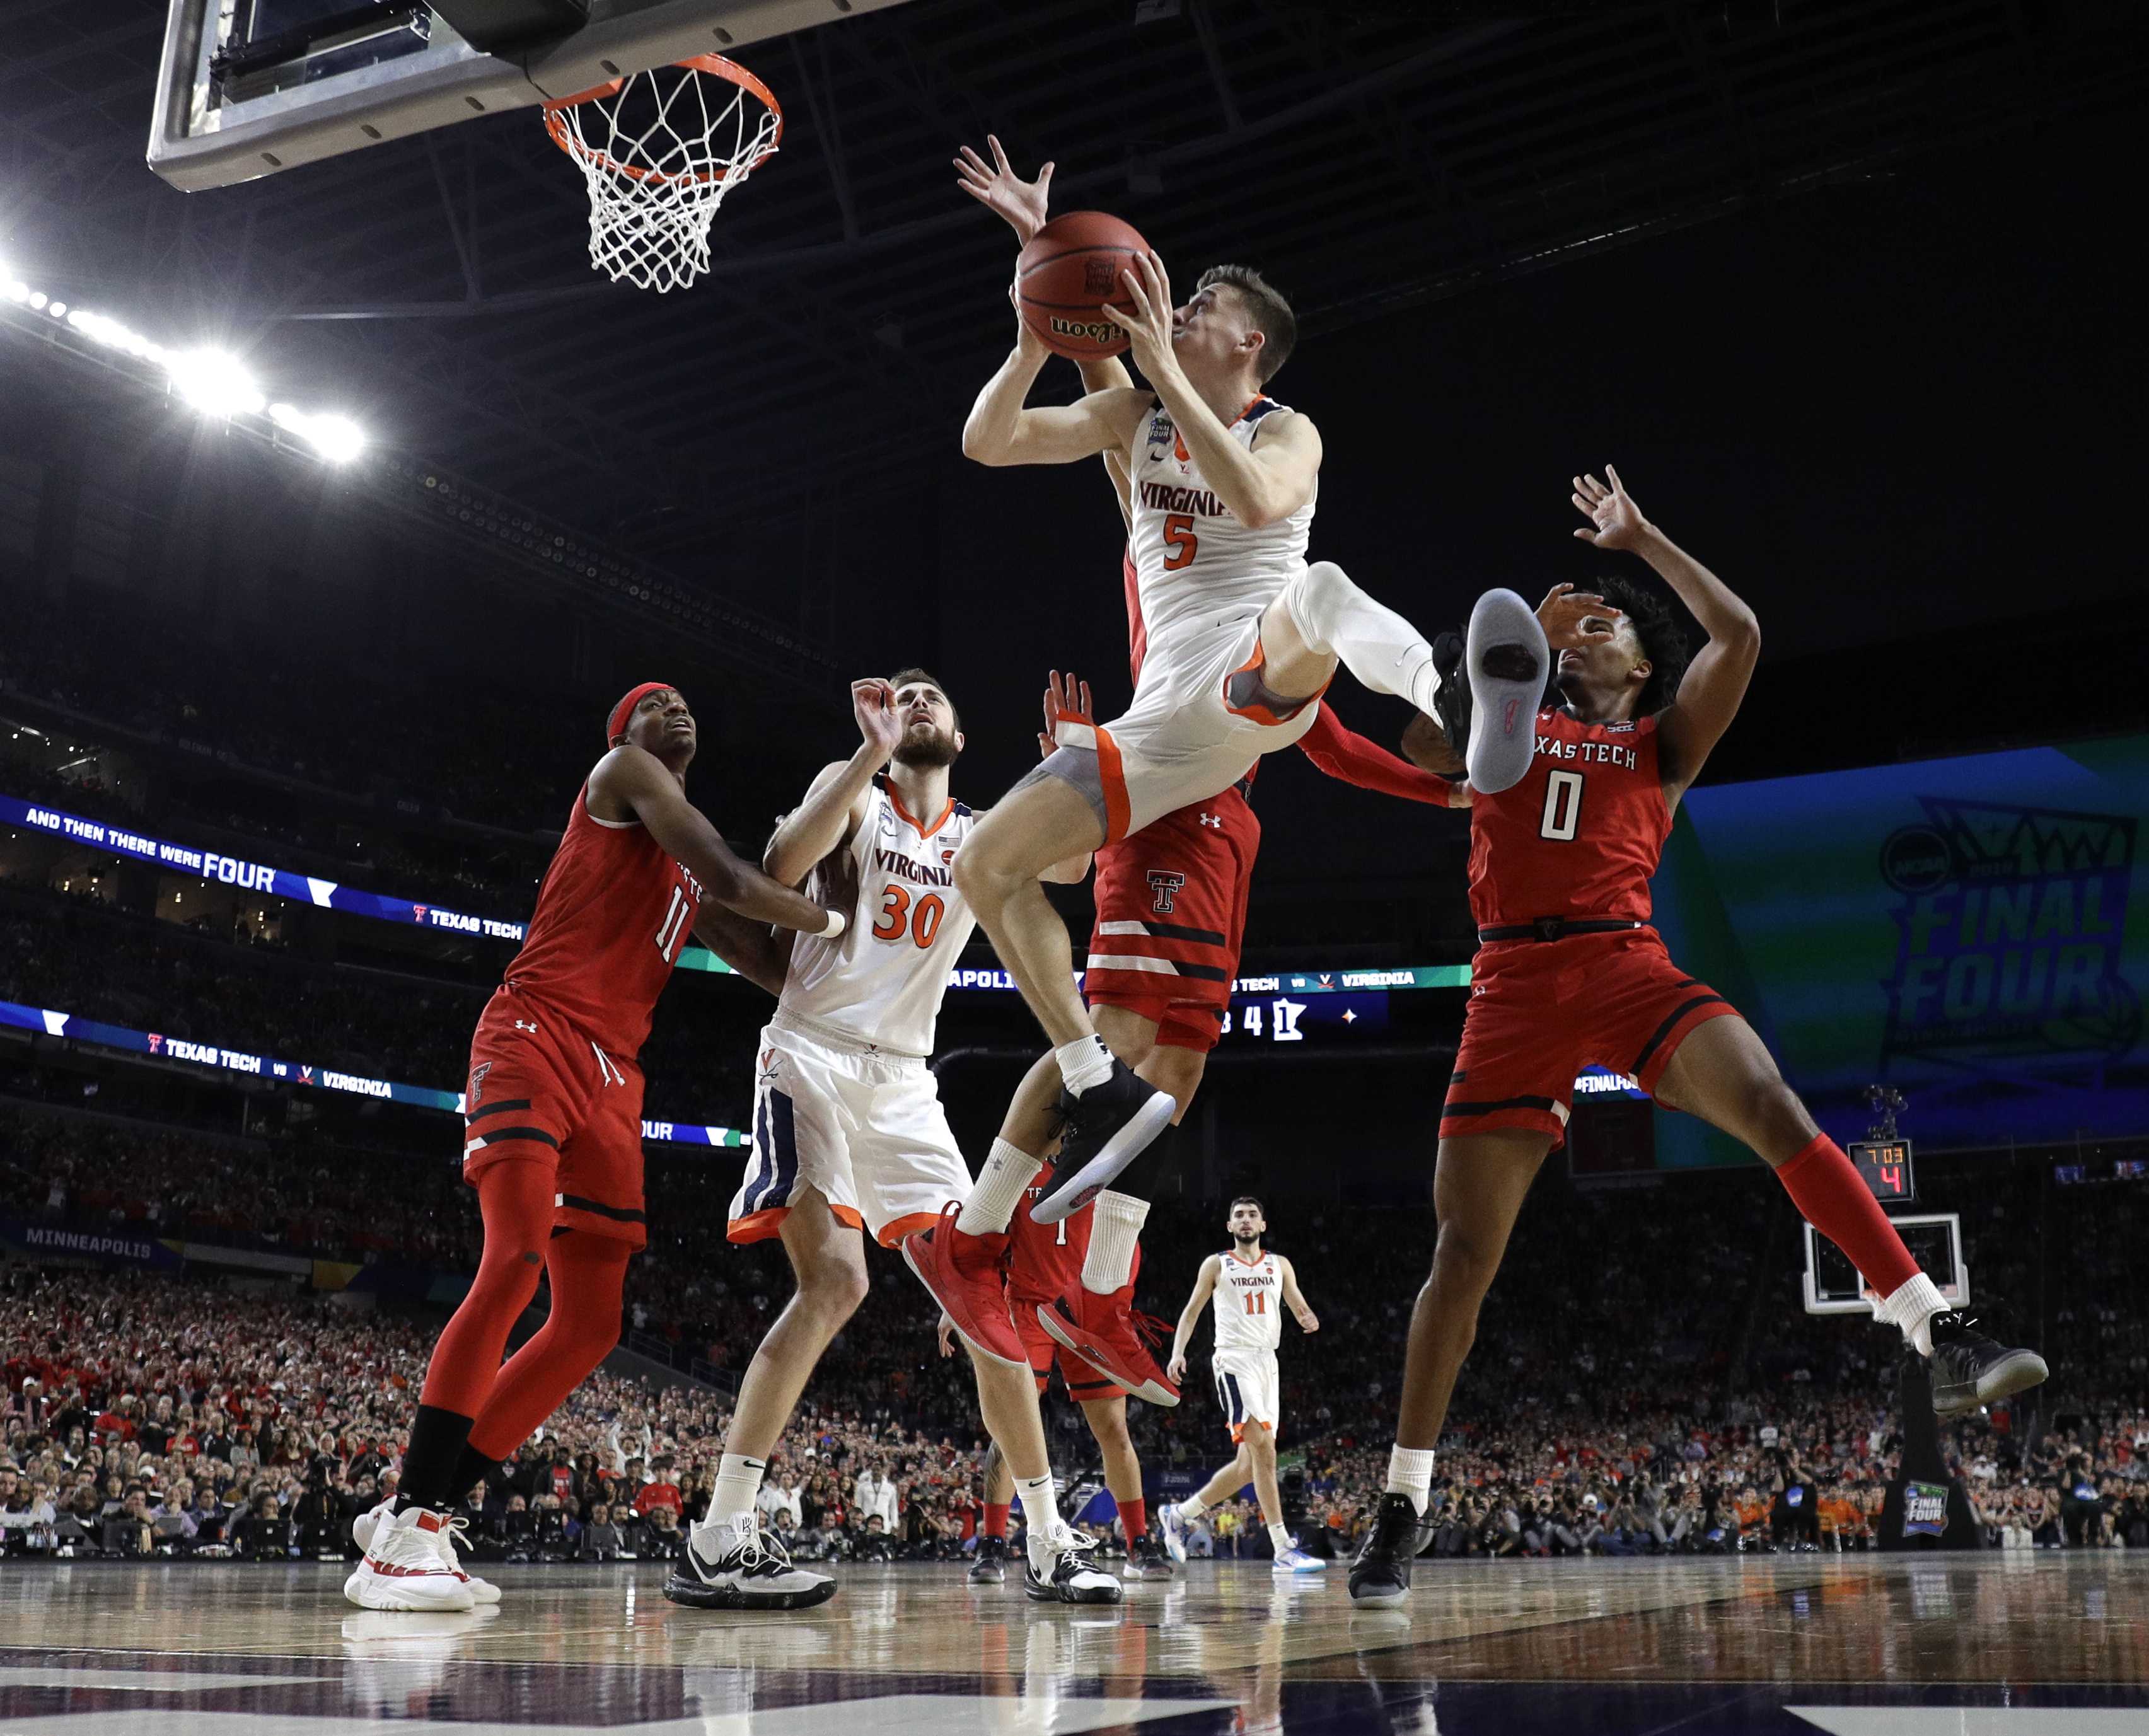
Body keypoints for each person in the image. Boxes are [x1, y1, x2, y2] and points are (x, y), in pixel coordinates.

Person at [1348, 468, 2051, 1604]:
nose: (1575, 632)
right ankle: (1402, 1497)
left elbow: (1741, 630)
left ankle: (1940, 1329)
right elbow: (1409, 743)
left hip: (1624, 962)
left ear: (1639, 666)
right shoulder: (1500, 734)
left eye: (1599, 624)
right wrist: (1492, 660)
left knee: (1772, 1105)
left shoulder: (1663, 743)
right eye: (1557, 627)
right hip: (1509, 986)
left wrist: (1639, 541)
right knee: (1461, 1255)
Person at [922, 139, 1520, 1461]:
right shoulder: (1134, 417)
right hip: (1160, 730)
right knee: (984, 867)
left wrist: (1148, 372)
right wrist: (1035, 298)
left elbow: (1254, 494)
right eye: (1162, 307)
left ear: (1247, 342)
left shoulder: (1281, 429)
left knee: (1317, 591)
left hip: (1255, 693)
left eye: (1193, 312)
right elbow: (986, 437)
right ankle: (1033, 1160)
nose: (1169, 314)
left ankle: (1453, 708)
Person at [345, 682, 843, 1614]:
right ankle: (408, 1525)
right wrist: (831, 917)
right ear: (622, 734)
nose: (680, 707)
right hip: (534, 1030)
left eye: (691, 701)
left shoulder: (682, 857)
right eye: (656, 701)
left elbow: (770, 966)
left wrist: (876, 957)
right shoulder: (625, 775)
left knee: (592, 1323)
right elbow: (744, 884)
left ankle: (420, 1511)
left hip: (615, 1072)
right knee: (515, 1256)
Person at [667, 673, 1118, 1611]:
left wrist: (1072, 760)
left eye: (933, 696)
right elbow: (782, 865)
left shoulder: (982, 832)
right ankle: (720, 1533)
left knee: (987, 1301)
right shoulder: (859, 793)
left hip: (908, 1084)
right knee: (834, 1283)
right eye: (901, 694)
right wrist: (867, 750)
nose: (917, 703)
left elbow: (1075, 865)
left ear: (960, 731)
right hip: (812, 1053)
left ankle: (1046, 1538)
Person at [1157, 1198, 1326, 1573]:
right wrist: (1178, 1352)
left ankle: (1178, 1515)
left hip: (1269, 1363)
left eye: (1252, 1215)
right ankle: (1282, 1548)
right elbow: (1191, 1311)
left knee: (1248, 1467)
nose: (1246, 1220)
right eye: (1239, 1216)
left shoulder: (1279, 1264)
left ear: (1263, 1225)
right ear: (1230, 1227)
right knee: (1265, 1449)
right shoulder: (1217, 1264)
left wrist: (1308, 1317)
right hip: (1234, 1360)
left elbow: (1297, 1303)